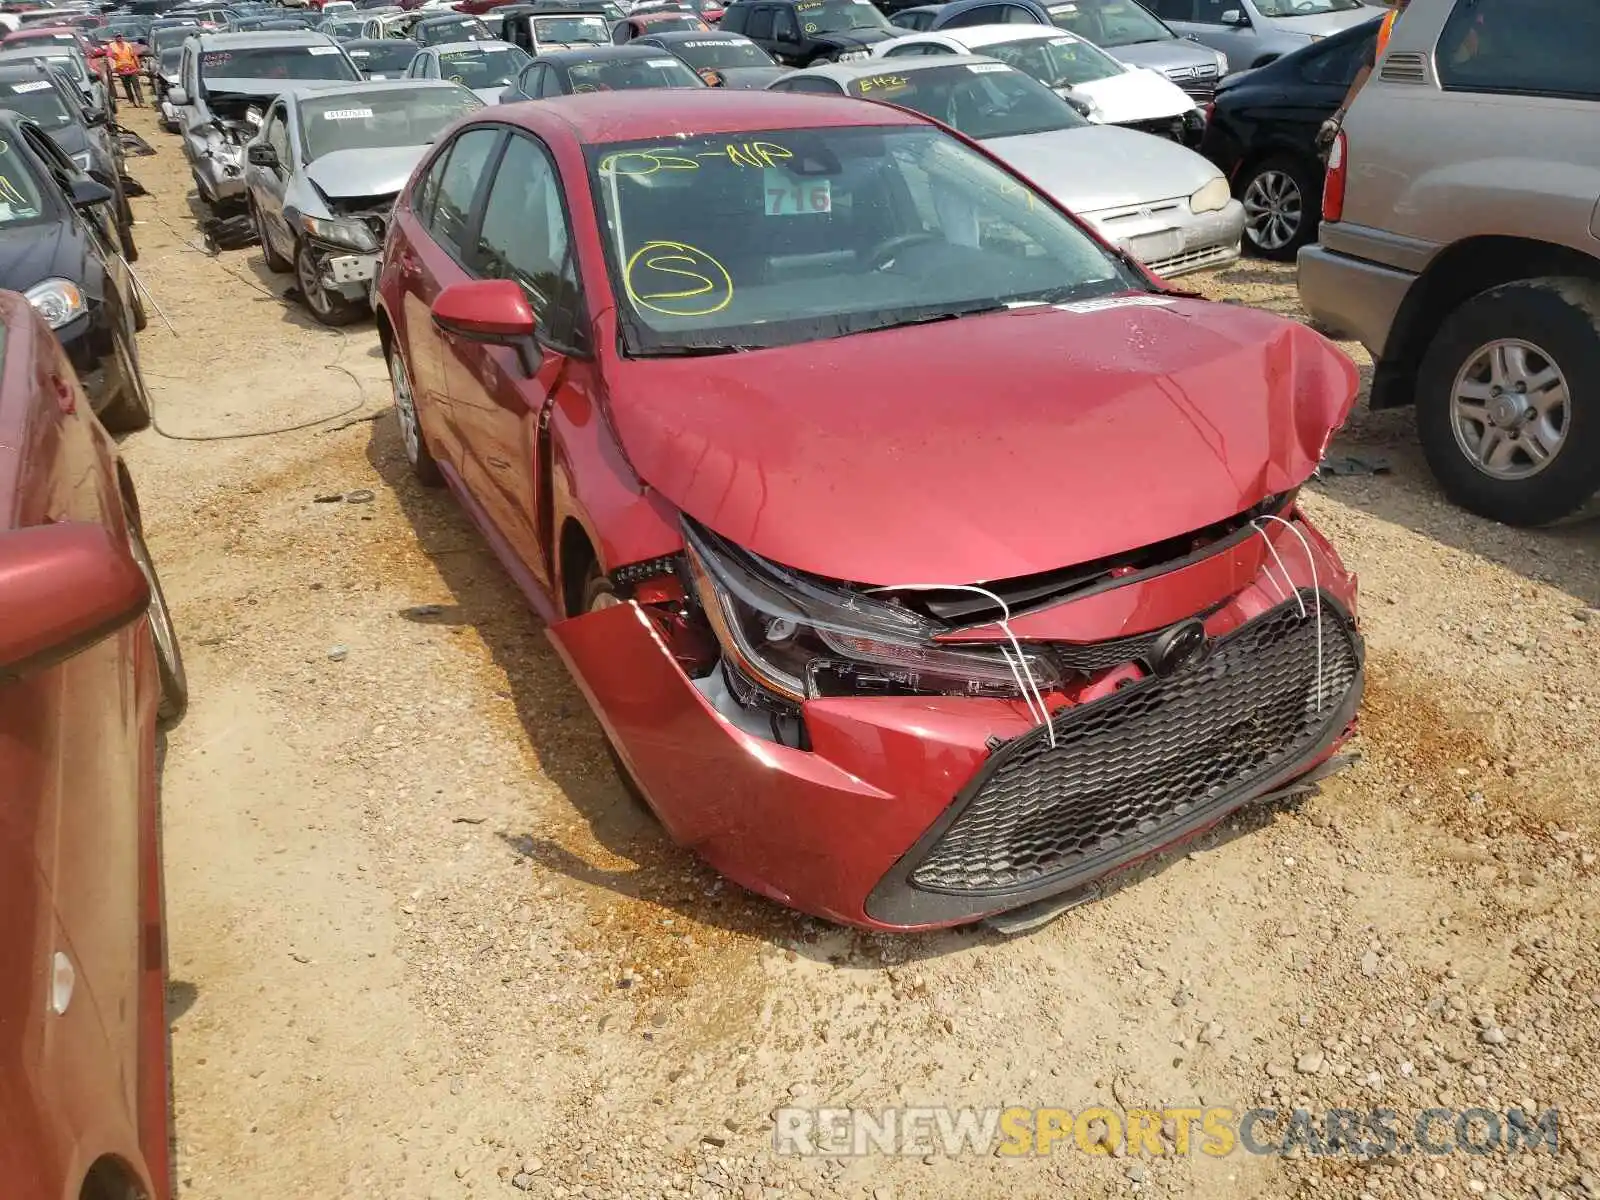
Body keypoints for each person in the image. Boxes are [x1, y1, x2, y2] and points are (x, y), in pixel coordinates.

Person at [1315, 0, 1408, 159]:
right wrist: (1339, 116)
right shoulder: (1391, 21)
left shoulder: (1439, 18)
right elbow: (1368, 68)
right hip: (1385, 120)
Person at [109, 34, 144, 107]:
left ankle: (141, 102)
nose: (119, 38)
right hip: (121, 69)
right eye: (117, 36)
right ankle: (132, 102)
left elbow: (134, 56)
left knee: (136, 86)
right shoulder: (112, 46)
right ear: (114, 38)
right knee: (127, 87)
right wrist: (113, 68)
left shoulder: (128, 45)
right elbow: (110, 57)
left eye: (120, 36)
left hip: (132, 68)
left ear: (122, 37)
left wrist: (139, 67)